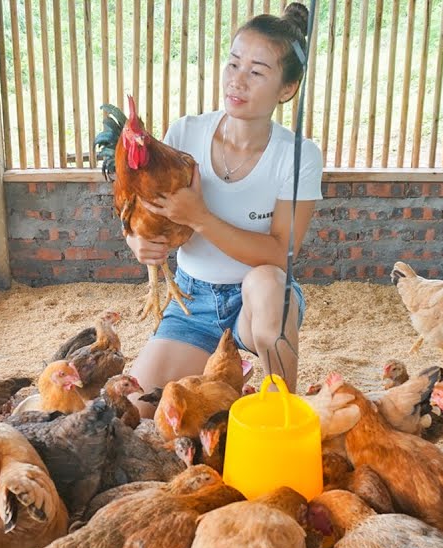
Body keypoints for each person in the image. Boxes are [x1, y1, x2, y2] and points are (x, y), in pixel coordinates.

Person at [126, 2, 321, 413]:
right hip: (192, 299)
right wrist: (136, 242)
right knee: (136, 409)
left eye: (257, 72)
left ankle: (278, 411)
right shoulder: (186, 131)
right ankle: (226, 381)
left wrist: (200, 217)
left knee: (267, 283)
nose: (237, 81)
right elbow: (147, 208)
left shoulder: (298, 155)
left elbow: (279, 254)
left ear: (287, 90)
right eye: (234, 64)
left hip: (258, 303)